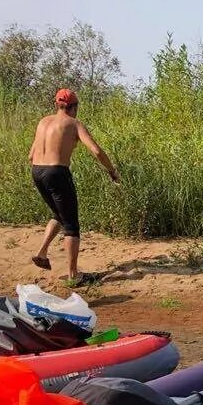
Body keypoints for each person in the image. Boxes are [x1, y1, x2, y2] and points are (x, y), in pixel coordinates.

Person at [28, 88, 120, 284]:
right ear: (74, 107)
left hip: (37, 171)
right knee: (71, 225)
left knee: (59, 215)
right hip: (57, 173)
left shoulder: (43, 122)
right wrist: (111, 170)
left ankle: (42, 253)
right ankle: (73, 275)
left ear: (57, 105)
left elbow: (30, 155)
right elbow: (96, 150)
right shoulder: (74, 124)